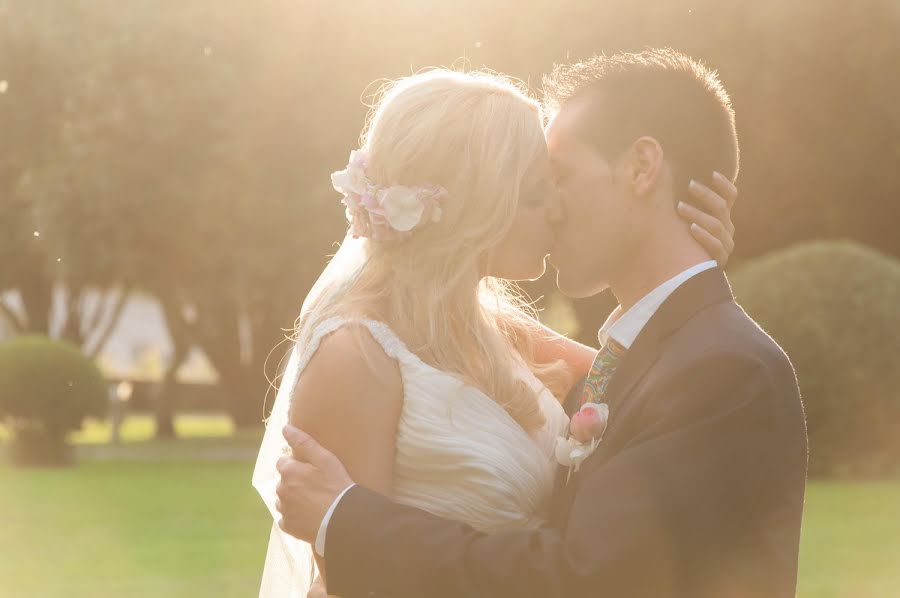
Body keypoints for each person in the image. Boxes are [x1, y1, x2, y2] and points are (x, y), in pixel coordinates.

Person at [260, 52, 747, 598]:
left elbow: (644, 379)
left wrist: (686, 264)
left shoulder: (500, 334)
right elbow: (351, 579)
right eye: (538, 193)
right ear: (481, 203)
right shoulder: (357, 353)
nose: (557, 212)